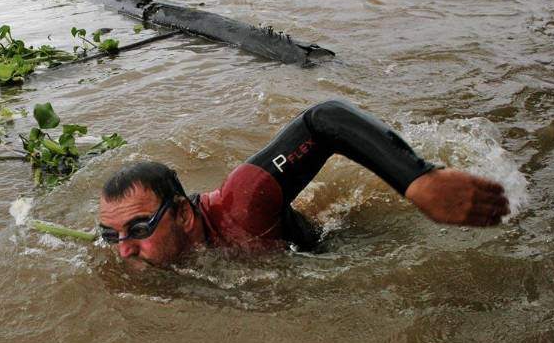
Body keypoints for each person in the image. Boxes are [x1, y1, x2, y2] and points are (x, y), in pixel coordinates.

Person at [99, 99, 510, 268]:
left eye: (139, 228)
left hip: (331, 249)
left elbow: (324, 120)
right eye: (111, 235)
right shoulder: (134, 248)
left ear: (184, 215)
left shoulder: (243, 201)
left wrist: (418, 179)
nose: (123, 250)